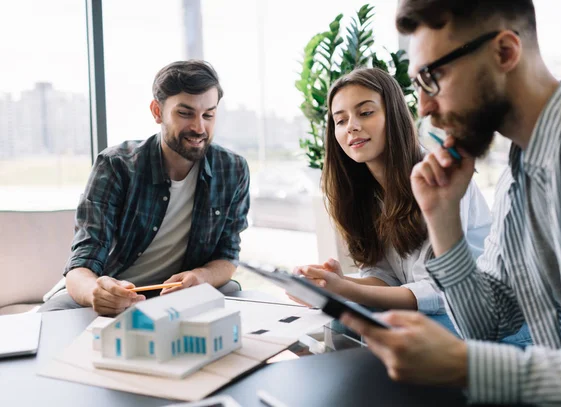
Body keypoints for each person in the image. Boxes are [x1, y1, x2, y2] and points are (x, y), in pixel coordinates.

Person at [341, 1, 561, 405]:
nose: (423, 108)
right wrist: (443, 219)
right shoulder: (522, 168)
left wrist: (468, 365)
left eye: (433, 77)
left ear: (504, 53)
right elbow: (489, 323)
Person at [293, 68, 495, 337]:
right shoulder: (362, 192)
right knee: (342, 323)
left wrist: (345, 290)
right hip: (440, 312)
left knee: (383, 331)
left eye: (365, 112)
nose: (351, 126)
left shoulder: (437, 176)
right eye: (340, 121)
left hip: (486, 316)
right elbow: (386, 278)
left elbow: (438, 292)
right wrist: (335, 283)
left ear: (395, 116)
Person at [40, 60, 250, 316]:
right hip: (112, 293)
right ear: (157, 111)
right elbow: (82, 264)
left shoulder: (232, 169)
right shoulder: (117, 166)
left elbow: (228, 256)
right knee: (52, 316)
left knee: (232, 292)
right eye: (185, 113)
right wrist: (98, 293)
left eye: (208, 115)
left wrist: (201, 276)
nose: (198, 127)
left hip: (177, 297)